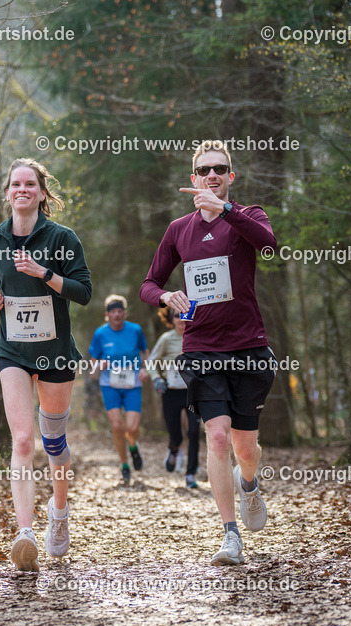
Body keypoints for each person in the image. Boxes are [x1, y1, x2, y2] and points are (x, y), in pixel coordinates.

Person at [139, 140, 278, 566]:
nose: (212, 175)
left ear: (230, 177)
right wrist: (167, 296)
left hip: (249, 347)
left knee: (245, 448)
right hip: (201, 348)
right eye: (204, 170)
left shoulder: (248, 216)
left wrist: (226, 211)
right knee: (216, 437)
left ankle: (249, 484)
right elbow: (147, 285)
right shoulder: (179, 230)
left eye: (220, 169)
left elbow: (269, 246)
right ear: (193, 178)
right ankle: (230, 535)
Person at [0, 158, 92, 572]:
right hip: (12, 349)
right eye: (16, 184)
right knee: (23, 440)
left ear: (42, 193)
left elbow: (83, 292)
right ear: (8, 192)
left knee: (53, 444)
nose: (22, 189)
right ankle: (25, 533)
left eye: (31, 184)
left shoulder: (62, 238)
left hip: (56, 352)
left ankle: (59, 512)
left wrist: (44, 272)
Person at [88, 295, 148, 486]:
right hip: (110, 385)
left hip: (132, 385)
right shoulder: (100, 333)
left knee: (132, 428)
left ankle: (133, 446)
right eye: (113, 311)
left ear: (124, 313)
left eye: (120, 311)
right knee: (117, 426)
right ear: (107, 314)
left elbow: (144, 352)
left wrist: (145, 369)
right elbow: (93, 361)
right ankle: (124, 465)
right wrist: (99, 366)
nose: (117, 314)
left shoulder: (135, 330)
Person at [147, 306, 201, 488]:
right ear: (171, 319)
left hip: (193, 392)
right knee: (175, 435)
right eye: (177, 316)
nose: (181, 319)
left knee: (194, 432)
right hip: (170, 392)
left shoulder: (198, 337)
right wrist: (156, 379)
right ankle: (173, 449)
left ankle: (191, 474)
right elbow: (151, 363)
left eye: (185, 316)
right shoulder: (166, 339)